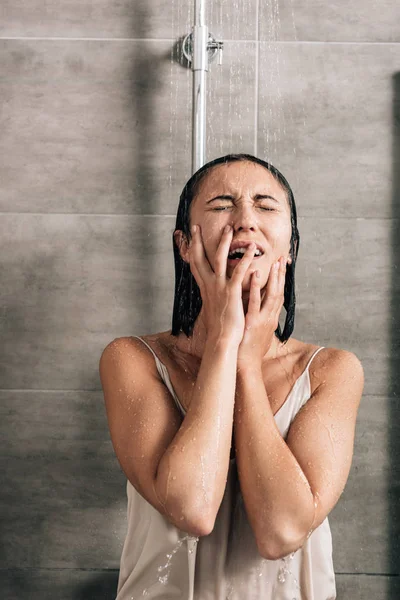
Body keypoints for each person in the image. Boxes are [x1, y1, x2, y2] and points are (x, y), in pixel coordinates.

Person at [99, 153, 364, 600]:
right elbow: (193, 508)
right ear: (184, 244)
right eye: (222, 205)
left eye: (265, 206)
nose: (245, 221)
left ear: (290, 247)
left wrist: (246, 361)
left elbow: (281, 532)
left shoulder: (330, 371)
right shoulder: (132, 359)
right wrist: (225, 343)